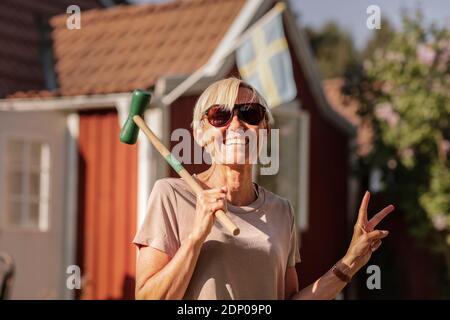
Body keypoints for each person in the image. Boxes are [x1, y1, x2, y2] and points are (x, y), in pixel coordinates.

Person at [133, 77, 394, 300]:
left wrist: (350, 263)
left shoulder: (281, 210)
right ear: (200, 134)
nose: (235, 125)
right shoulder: (172, 195)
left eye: (250, 114)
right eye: (219, 116)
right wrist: (195, 238)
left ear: (264, 132)